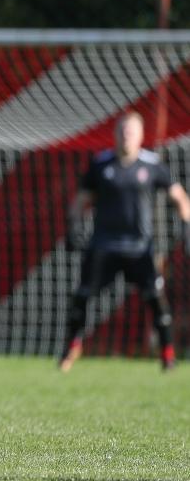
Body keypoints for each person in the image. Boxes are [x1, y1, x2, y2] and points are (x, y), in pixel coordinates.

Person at [60, 110, 190, 372]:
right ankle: (70, 349)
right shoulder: (101, 164)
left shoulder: (152, 165)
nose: (126, 136)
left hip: (139, 248)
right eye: (122, 131)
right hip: (103, 246)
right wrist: (73, 227)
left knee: (155, 297)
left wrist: (186, 225)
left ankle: (167, 355)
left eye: (131, 131)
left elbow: (179, 197)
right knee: (82, 296)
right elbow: (80, 201)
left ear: (141, 135)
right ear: (115, 134)